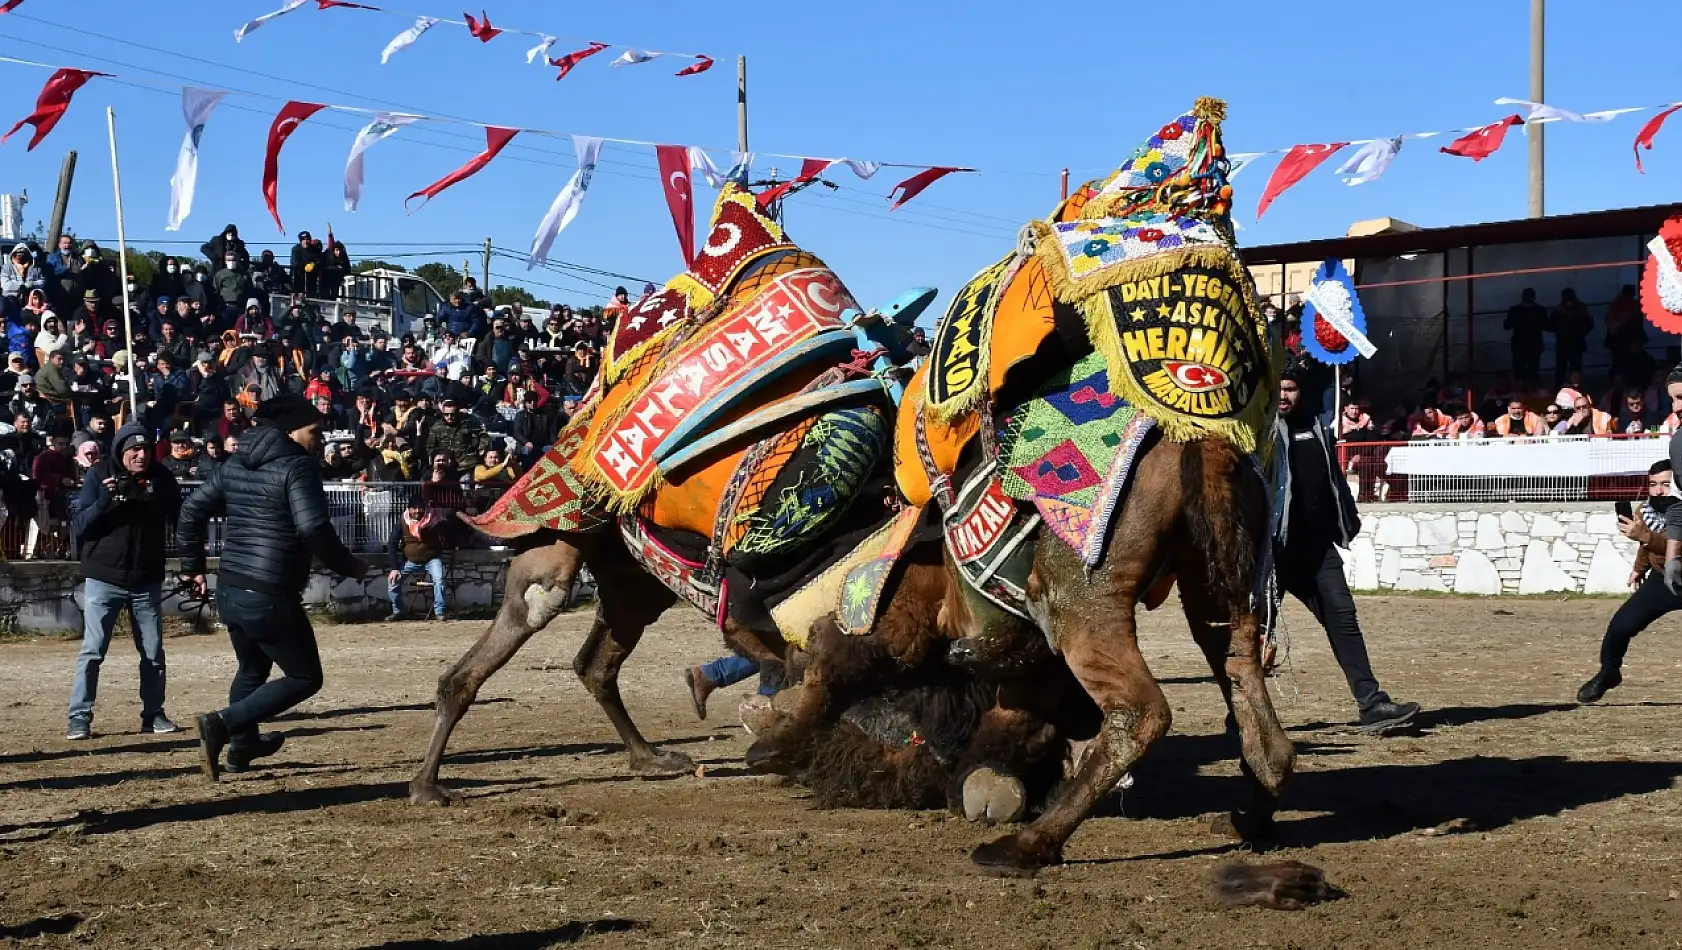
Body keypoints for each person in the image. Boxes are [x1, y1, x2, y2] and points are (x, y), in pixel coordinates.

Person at [178, 392, 369, 780]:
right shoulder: (298, 467)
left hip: (231, 588)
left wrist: (193, 568)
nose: (322, 439)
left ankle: (243, 747)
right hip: (269, 592)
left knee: (252, 669)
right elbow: (312, 527)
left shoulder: (234, 463)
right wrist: (349, 566)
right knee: (305, 677)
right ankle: (222, 723)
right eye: (315, 431)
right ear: (290, 431)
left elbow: (191, 509)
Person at [1273, 369, 1421, 732]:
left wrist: (1347, 515)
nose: (1284, 396)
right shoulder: (1260, 430)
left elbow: (1332, 477)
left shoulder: (1319, 427)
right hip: (1272, 552)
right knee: (1254, 634)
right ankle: (1240, 718)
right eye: (1277, 389)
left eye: (1290, 389)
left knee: (1344, 621)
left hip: (1318, 549)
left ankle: (1371, 704)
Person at [64, 423, 184, 739]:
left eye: (145, 449)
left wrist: (191, 562)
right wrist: (106, 499)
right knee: (92, 651)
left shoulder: (161, 478)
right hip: (104, 577)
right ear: (121, 450)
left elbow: (182, 519)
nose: (141, 455)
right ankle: (79, 717)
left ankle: (153, 714)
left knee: (153, 652)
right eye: (134, 450)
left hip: (146, 578)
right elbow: (78, 526)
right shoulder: (98, 474)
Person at [1578, 459, 1679, 703]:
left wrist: (1645, 536)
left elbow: (1675, 547)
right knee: (1621, 626)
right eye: (1653, 484)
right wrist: (1639, 567)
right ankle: (1609, 672)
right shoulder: (1645, 511)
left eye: (1666, 484)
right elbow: (1649, 546)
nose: (1658, 490)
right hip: (1663, 580)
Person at [386, 496, 450, 622]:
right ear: (408, 510)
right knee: (393, 582)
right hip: (410, 561)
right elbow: (392, 544)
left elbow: (448, 533)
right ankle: (398, 611)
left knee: (439, 580)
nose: (417, 511)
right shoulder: (402, 522)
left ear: (425, 508)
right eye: (414, 508)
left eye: (420, 508)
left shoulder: (435, 519)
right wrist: (394, 568)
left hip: (432, 559)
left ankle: (439, 612)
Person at [1504, 289, 1548, 387]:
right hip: (1523, 346)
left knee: (1531, 372)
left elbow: (1547, 325)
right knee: (1521, 373)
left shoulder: (1517, 310)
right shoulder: (1538, 310)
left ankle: (1529, 392)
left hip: (1530, 346)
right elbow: (1507, 325)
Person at [1550, 288, 1592, 386]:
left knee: (1575, 368)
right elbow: (1551, 325)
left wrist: (1582, 332)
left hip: (1576, 342)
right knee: (1561, 368)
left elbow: (1590, 324)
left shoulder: (1581, 309)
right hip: (1564, 342)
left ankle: (1576, 386)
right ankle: (1560, 387)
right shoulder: (1558, 310)